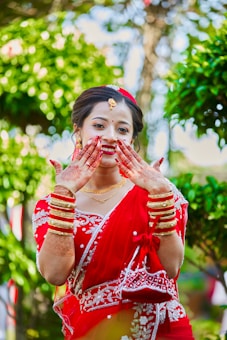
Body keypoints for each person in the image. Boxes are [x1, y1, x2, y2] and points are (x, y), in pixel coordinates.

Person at [32, 85, 194, 340]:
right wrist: (65, 196)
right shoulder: (52, 203)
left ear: (131, 139)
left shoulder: (157, 191)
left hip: (161, 330)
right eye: (99, 126)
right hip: (95, 332)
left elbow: (171, 267)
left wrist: (160, 197)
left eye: (122, 129)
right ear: (78, 131)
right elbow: (54, 273)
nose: (111, 136)